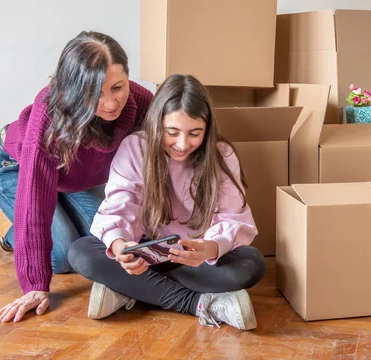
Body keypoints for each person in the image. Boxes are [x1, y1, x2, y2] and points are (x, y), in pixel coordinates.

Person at [0, 31, 154, 323]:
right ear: (73, 89)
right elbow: (34, 202)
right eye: (95, 93)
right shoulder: (49, 117)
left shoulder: (140, 102)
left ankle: (59, 208)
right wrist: (35, 285)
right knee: (60, 256)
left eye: (117, 87)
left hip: (71, 178)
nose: (111, 103)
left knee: (102, 243)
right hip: (14, 166)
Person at [68, 74, 265, 330]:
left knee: (251, 264)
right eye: (172, 132)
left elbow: (231, 216)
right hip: (145, 251)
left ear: (207, 130)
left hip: (194, 257)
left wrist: (211, 247)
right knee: (82, 252)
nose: (183, 145)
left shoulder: (221, 154)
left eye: (195, 133)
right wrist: (121, 247)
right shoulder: (135, 147)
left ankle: (129, 290)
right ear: (156, 124)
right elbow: (120, 204)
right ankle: (197, 303)